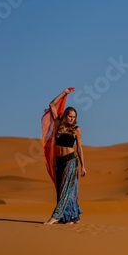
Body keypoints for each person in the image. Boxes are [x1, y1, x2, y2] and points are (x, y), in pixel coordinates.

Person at [43, 88, 86, 224]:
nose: (72, 119)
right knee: (63, 189)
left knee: (66, 190)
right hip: (59, 162)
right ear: (65, 115)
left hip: (71, 161)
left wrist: (83, 166)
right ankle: (71, 217)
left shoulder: (77, 129)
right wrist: (64, 93)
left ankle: (55, 216)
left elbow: (79, 148)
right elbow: (51, 105)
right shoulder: (58, 124)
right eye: (70, 116)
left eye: (74, 117)